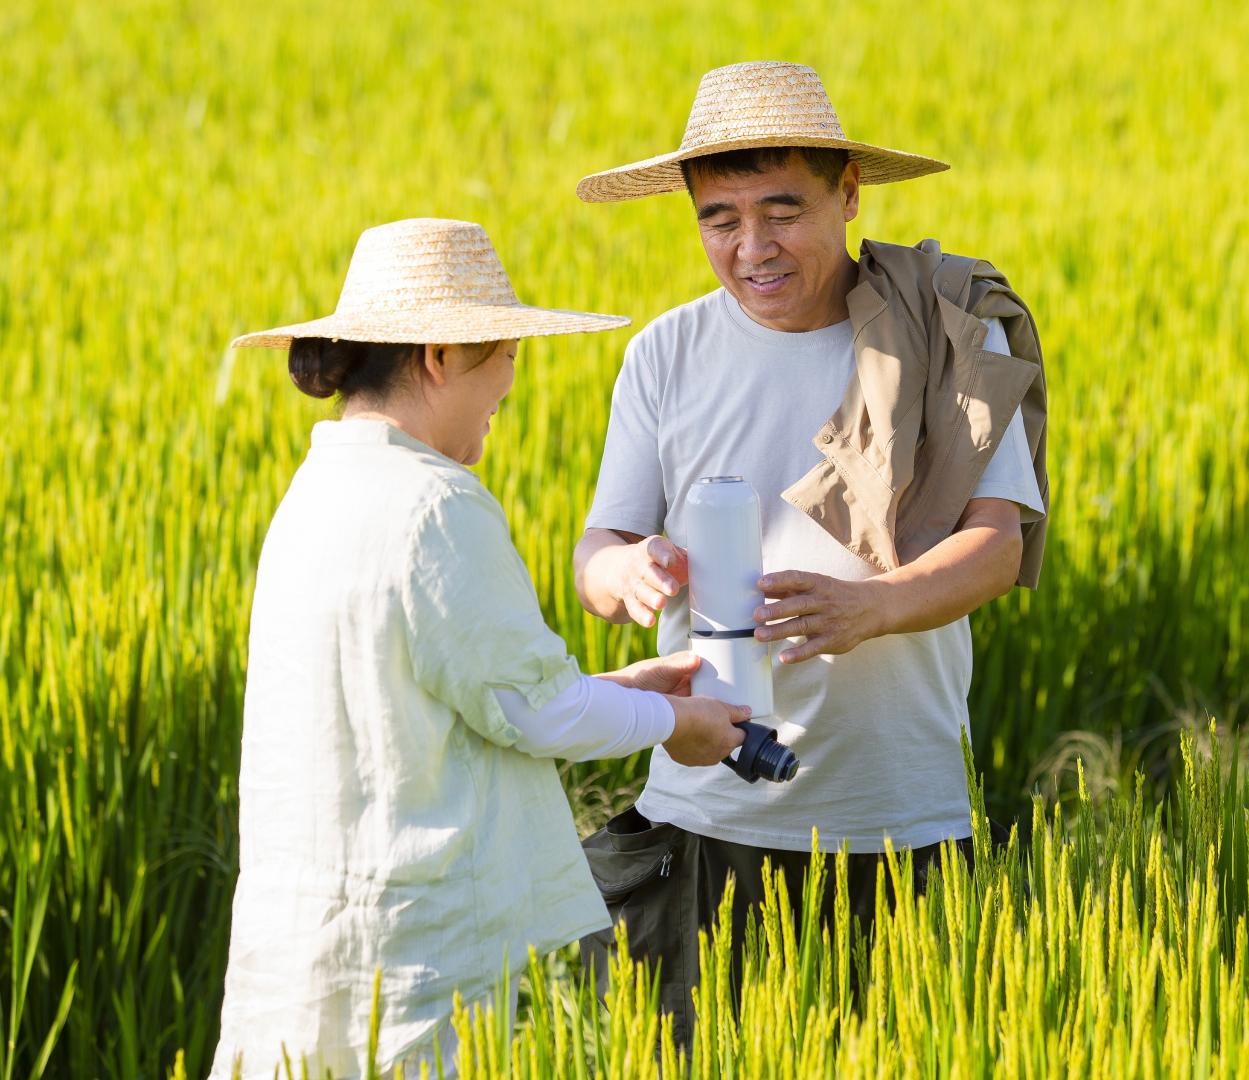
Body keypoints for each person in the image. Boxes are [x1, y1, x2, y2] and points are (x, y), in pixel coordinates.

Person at [569, 62, 1051, 1033]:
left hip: (896, 818)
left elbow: (996, 548)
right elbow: (598, 546)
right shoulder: (664, 353)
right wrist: (624, 572)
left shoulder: (947, 337)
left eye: (782, 210)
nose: (753, 247)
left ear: (849, 194)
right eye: (720, 218)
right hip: (701, 820)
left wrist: (868, 608)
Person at [209, 218, 752, 1079]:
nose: (509, 384)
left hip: (306, 948)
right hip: (415, 960)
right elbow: (534, 710)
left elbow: (453, 699)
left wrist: (630, 686)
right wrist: (672, 720)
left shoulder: (315, 494)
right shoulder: (437, 505)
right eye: (504, 356)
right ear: (439, 356)